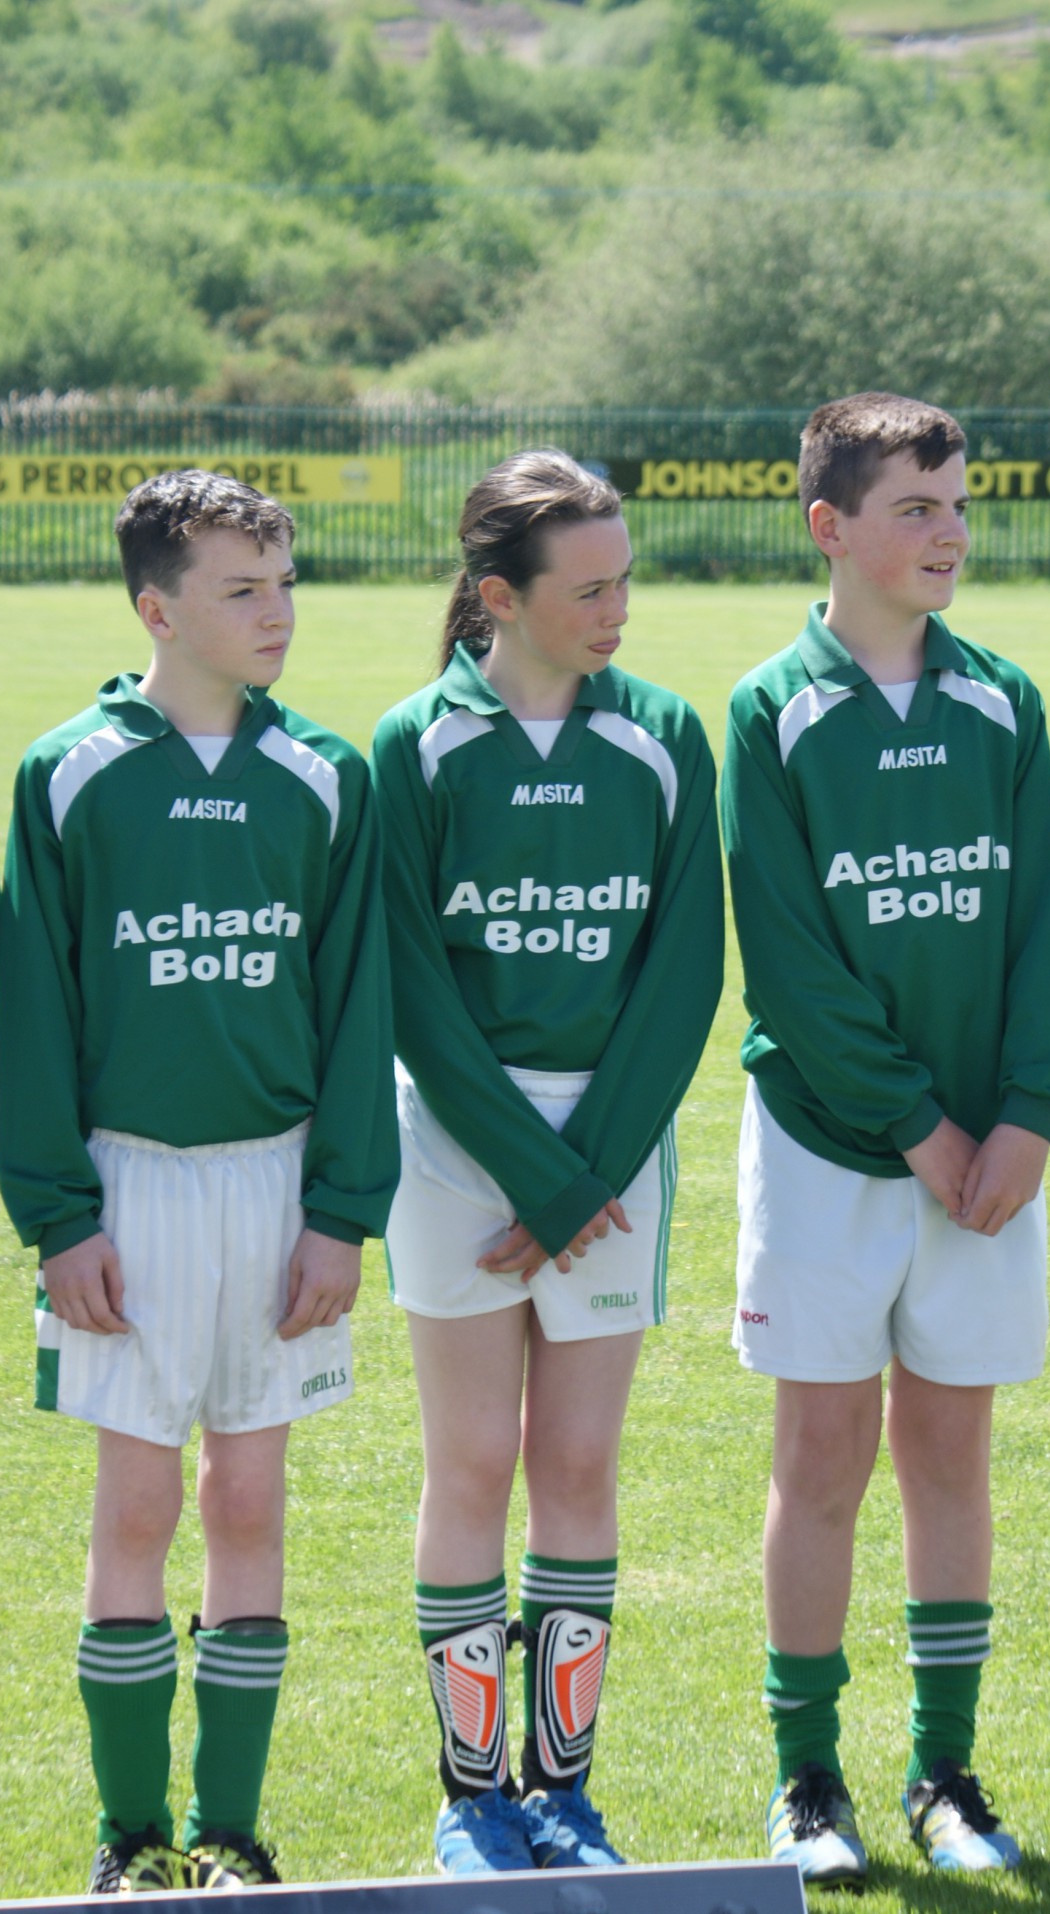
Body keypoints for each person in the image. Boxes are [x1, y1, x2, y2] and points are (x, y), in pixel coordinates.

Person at [0, 470, 397, 1893]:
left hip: (278, 1184)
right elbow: (38, 1014)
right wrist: (59, 1215)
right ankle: (130, 1835)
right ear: (157, 608)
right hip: (127, 1186)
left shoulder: (327, 775)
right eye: (242, 589)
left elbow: (357, 1008)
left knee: (249, 1503)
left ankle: (231, 1829)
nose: (277, 612)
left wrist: (342, 1213)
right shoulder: (69, 773)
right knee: (136, 1509)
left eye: (285, 583)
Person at [722, 391, 1050, 1886]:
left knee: (951, 1452)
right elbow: (791, 962)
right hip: (831, 1142)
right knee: (822, 1452)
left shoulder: (1002, 698)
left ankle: (946, 1773)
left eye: (959, 506)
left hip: (988, 1156)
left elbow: (1041, 926)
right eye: (917, 509)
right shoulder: (771, 709)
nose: (950, 532)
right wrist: (917, 1125)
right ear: (830, 526)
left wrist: (1028, 1113)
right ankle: (810, 1780)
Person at [370, 449, 722, 1877]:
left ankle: (563, 1795)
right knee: (468, 1461)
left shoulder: (665, 735)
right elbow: (410, 984)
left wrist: (585, 1171)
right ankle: (473, 1799)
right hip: (456, 1147)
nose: (618, 609)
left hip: (614, 1149)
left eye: (625, 581)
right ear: (499, 596)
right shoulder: (415, 745)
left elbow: (683, 973)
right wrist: (537, 1174)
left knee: (577, 1461)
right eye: (589, 589)